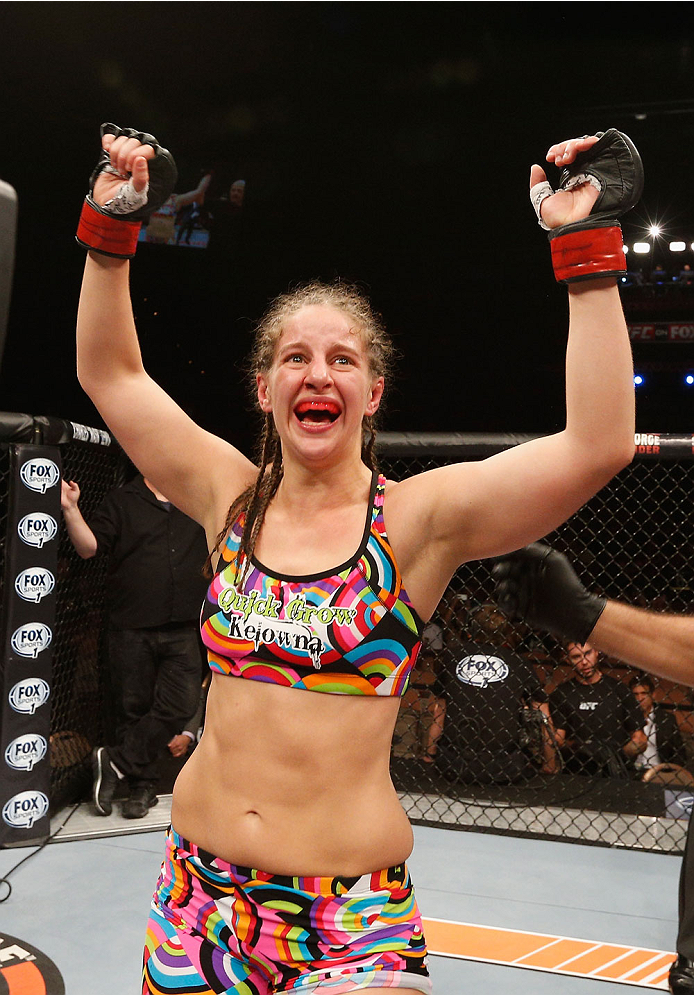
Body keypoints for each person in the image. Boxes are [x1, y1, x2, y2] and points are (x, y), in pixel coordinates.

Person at [74, 122, 638, 994]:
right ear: (264, 390)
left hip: (350, 923)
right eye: (294, 357)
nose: (318, 374)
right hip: (196, 900)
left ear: (372, 394)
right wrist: (111, 231)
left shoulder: (416, 523)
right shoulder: (228, 495)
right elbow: (113, 376)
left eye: (343, 359)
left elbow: (598, 443)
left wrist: (586, 251)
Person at [490, 542, 694, 994]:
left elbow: (637, 739)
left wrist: (583, 614)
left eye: (588, 651)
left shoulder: (621, 692)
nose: (582, 659)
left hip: (618, 776)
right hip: (576, 777)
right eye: (575, 654)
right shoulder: (561, 695)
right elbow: (558, 744)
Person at [60, 474, 208, 818]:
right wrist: (70, 509)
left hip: (183, 625)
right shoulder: (123, 500)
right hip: (131, 624)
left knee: (180, 705)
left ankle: (113, 762)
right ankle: (140, 788)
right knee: (133, 708)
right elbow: (89, 547)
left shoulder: (194, 497)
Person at [436, 603, 551, 784]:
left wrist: (429, 753)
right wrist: (551, 763)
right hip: (504, 768)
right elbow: (543, 714)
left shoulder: (452, 656)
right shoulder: (519, 663)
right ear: (506, 632)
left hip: (453, 764)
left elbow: (439, 711)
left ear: (471, 629)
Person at [548, 640, 645, 777]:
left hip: (617, 773)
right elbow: (558, 739)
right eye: (576, 657)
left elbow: (640, 739)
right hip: (576, 772)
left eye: (587, 653)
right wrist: (582, 748)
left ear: (596, 652)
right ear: (568, 659)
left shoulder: (619, 690)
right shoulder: (561, 694)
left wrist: (615, 754)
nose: (584, 662)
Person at [629, 675, 694, 788]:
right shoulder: (625, 718)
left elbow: (679, 752)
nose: (640, 698)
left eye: (644, 693)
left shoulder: (667, 719)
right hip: (631, 772)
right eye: (635, 694)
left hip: (660, 772)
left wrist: (673, 774)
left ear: (653, 695)